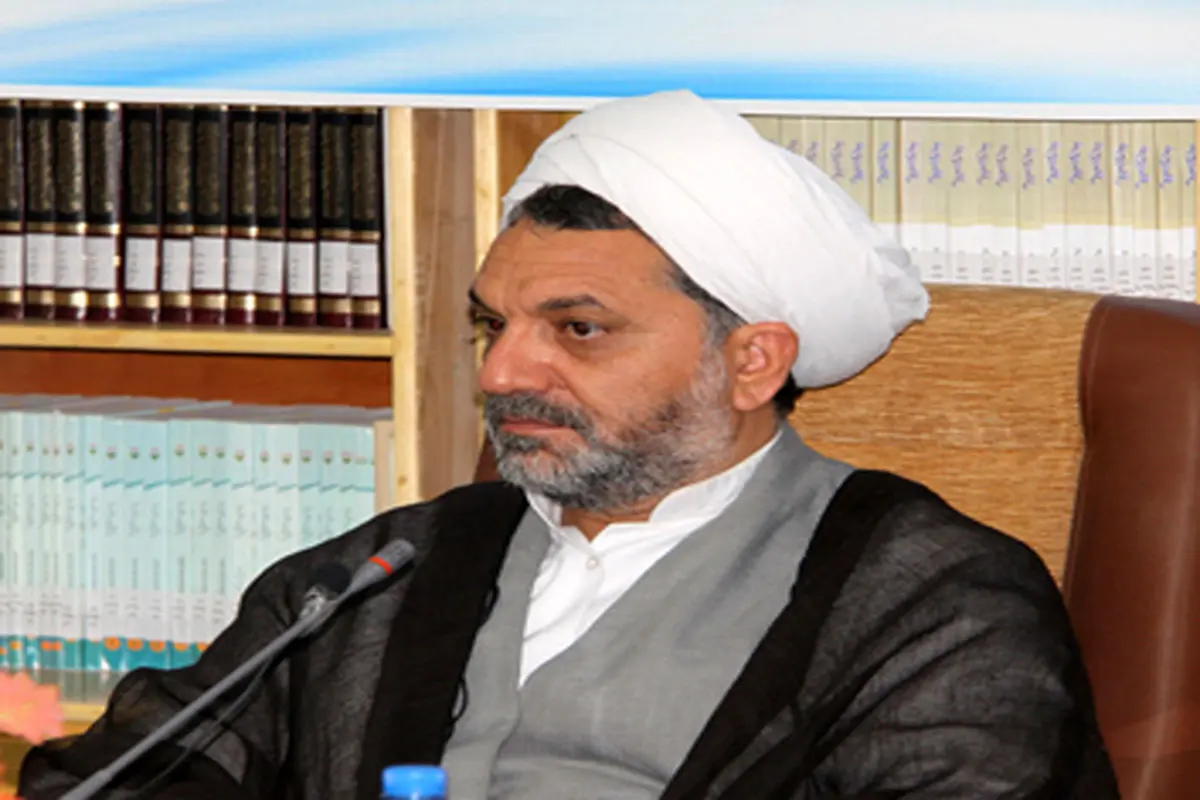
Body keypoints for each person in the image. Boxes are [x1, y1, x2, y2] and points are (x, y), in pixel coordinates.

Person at [20, 90, 1119, 799]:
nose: (503, 373)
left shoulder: (931, 599)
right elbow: (134, 768)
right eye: (493, 325)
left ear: (752, 361)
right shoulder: (397, 566)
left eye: (578, 329)